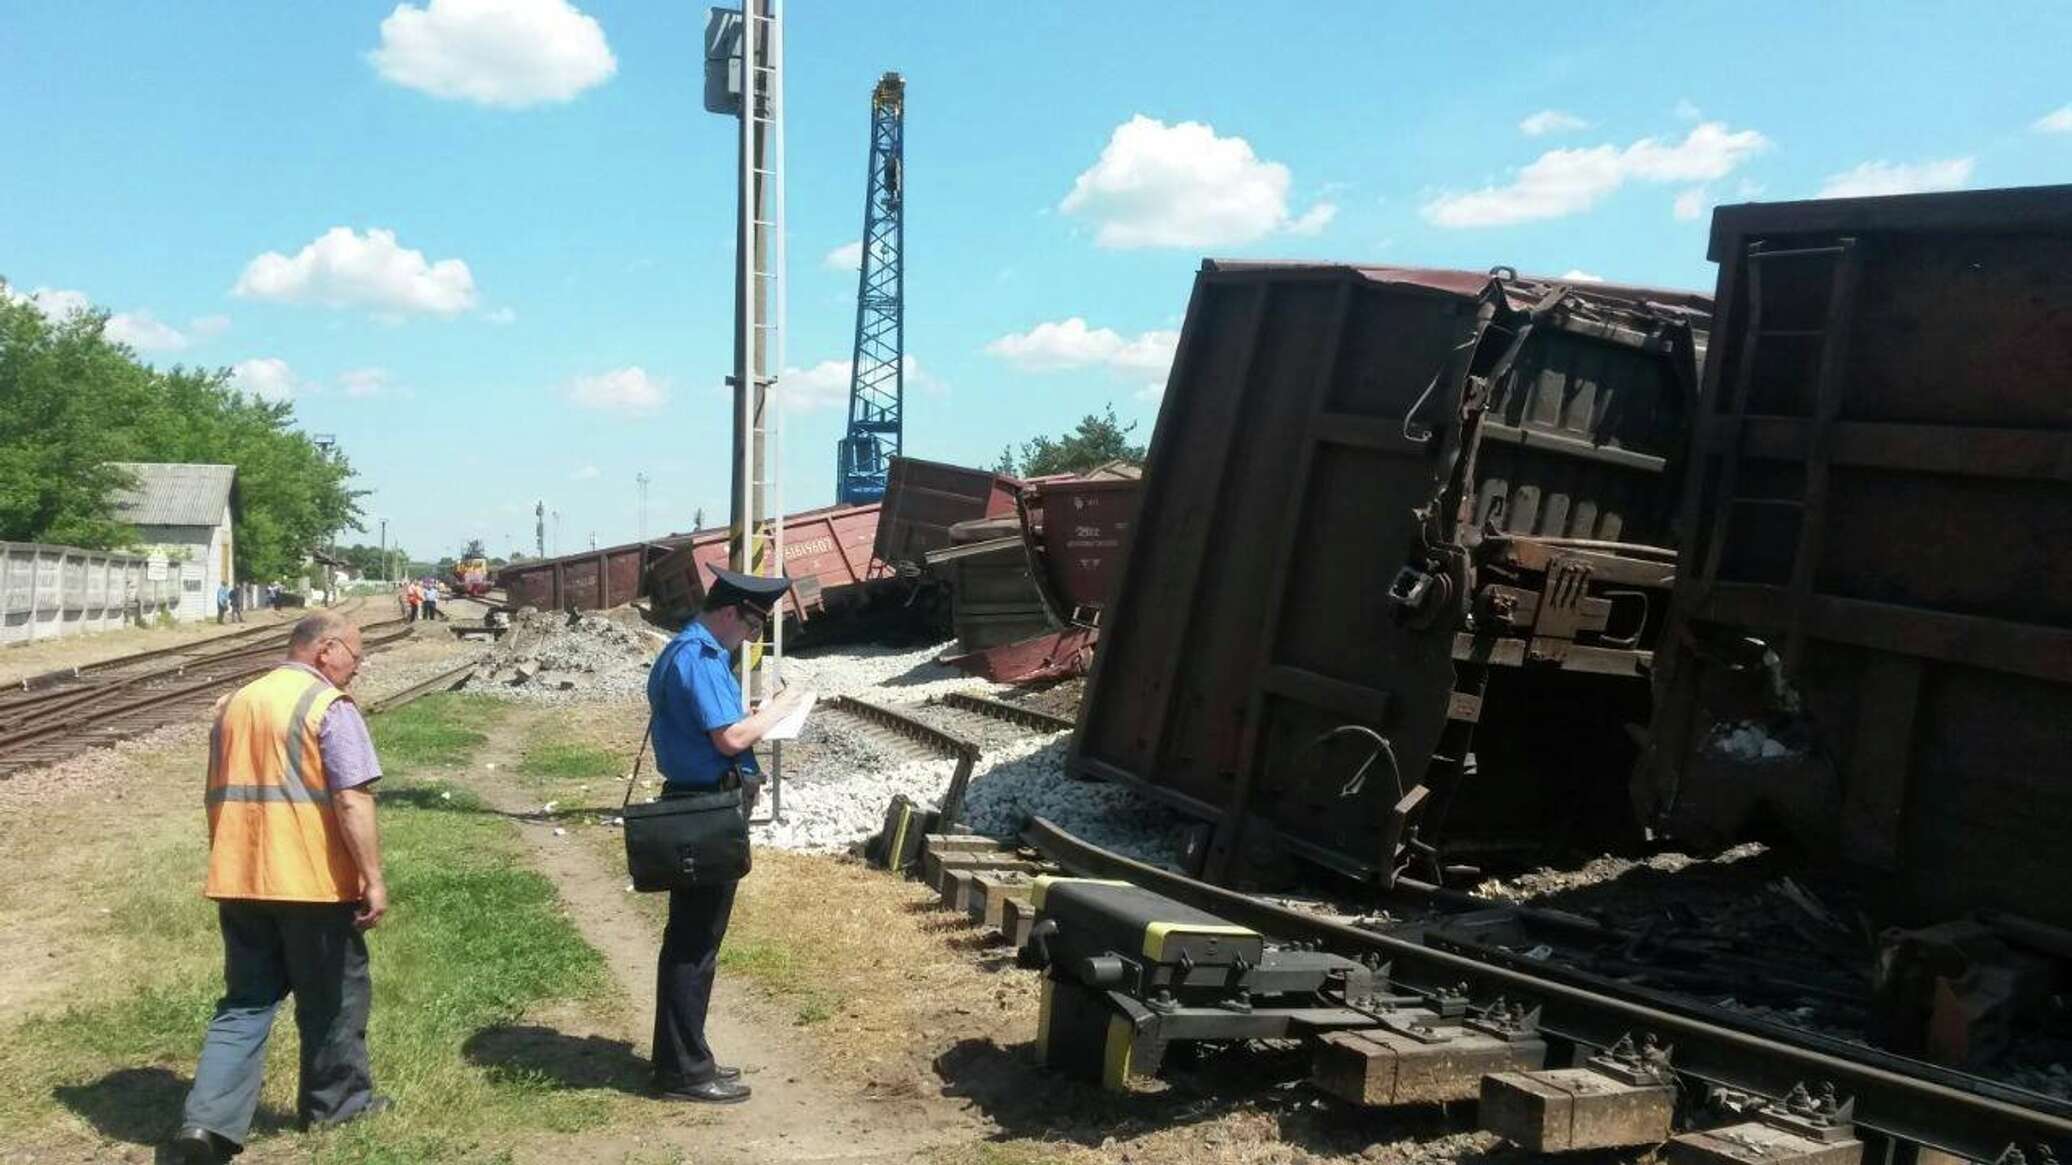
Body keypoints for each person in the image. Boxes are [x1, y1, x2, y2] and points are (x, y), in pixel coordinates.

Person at [169, 612, 390, 1163]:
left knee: (244, 1004)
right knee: (333, 999)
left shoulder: (236, 703)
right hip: (311, 882)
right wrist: (372, 877)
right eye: (355, 658)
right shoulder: (328, 707)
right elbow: (351, 798)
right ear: (326, 651)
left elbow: (215, 792)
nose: (356, 670)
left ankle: (207, 1125)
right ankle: (338, 1106)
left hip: (240, 878)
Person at [644, 568, 803, 1105]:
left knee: (691, 940)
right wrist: (777, 711)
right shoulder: (702, 656)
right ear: (732, 612)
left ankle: (686, 1056)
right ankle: (684, 1071)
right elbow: (731, 737)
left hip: (696, 805)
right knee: (694, 945)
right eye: (755, 627)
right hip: (704, 808)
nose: (751, 638)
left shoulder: (682, 650)